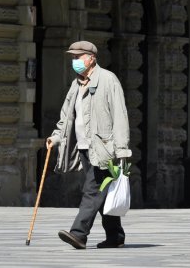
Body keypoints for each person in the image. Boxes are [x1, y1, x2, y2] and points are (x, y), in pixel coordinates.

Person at [46, 40, 132, 249]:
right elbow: (66, 117)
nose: (74, 61)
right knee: (101, 194)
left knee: (92, 190)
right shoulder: (76, 84)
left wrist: (121, 149)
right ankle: (115, 235)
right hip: (84, 148)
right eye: (73, 57)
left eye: (78, 57)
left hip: (104, 149)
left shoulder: (108, 80)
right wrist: (56, 137)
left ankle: (79, 234)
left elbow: (120, 116)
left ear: (91, 58)